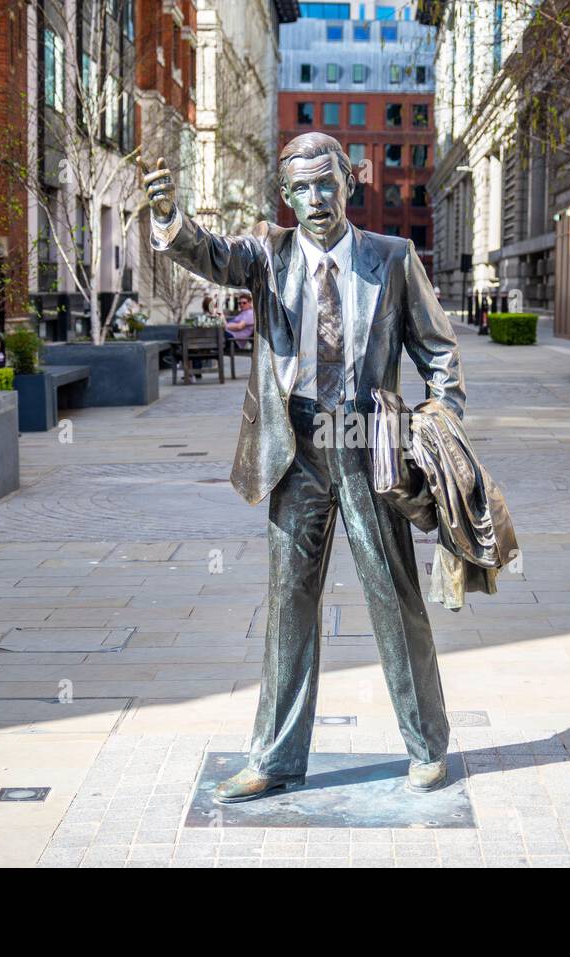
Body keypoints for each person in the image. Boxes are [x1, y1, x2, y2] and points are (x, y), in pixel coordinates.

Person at [144, 133, 463, 803]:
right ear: (285, 197)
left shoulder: (394, 258)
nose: (316, 198)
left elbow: (439, 351)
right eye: (302, 188)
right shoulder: (267, 256)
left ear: (348, 183)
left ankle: (428, 744)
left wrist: (440, 416)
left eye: (327, 183)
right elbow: (209, 255)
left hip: (370, 449)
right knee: (289, 605)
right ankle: (276, 757)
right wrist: (171, 219)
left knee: (393, 596)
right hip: (296, 454)